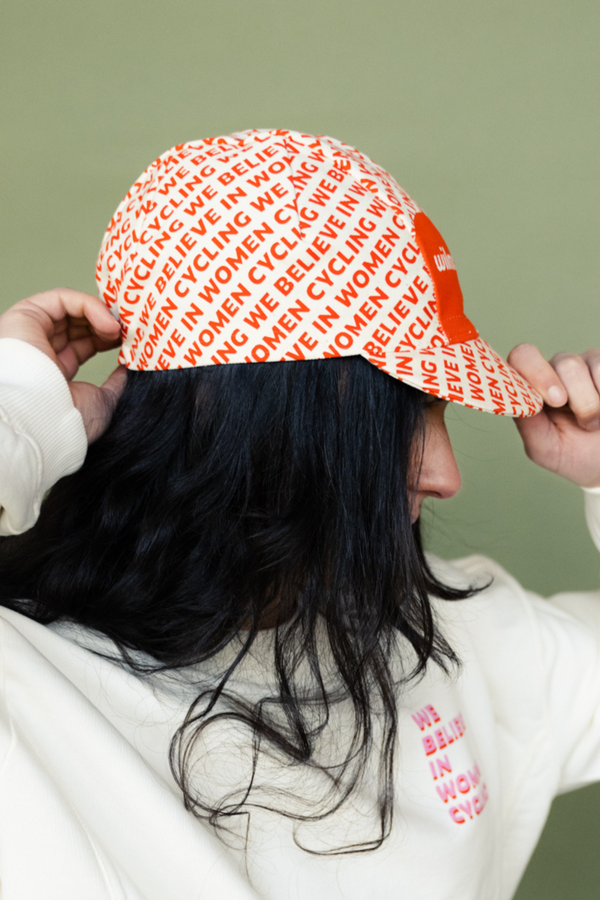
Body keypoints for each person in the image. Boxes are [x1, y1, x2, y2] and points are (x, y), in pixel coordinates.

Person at [0, 129, 599, 900]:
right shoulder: (28, 685)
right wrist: (21, 401)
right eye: (392, 420)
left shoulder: (461, 643)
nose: (447, 474)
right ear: (242, 427)